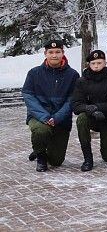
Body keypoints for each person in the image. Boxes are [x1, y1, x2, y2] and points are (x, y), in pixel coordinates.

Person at [22, 40, 79, 172]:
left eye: (58, 52)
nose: (54, 55)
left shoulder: (72, 75)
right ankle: (40, 155)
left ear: (63, 53)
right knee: (42, 131)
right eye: (51, 52)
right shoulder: (34, 73)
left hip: (61, 119)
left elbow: (72, 99)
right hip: (38, 116)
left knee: (56, 161)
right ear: (45, 54)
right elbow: (28, 96)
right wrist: (44, 116)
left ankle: (38, 149)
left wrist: (57, 117)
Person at [72, 50, 107, 171]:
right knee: (81, 120)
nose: (96, 66)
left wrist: (98, 107)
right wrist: (91, 110)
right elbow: (76, 105)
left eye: (99, 62)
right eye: (93, 63)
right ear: (89, 64)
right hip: (91, 117)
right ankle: (87, 158)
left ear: (105, 62)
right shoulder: (81, 81)